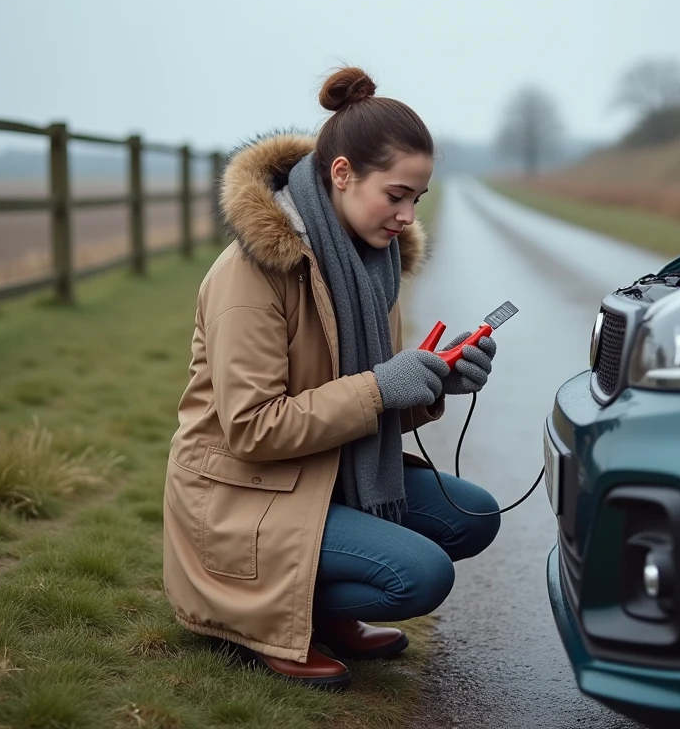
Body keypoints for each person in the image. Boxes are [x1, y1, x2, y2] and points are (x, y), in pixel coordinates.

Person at [161, 66, 502, 691]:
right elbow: (252, 430)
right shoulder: (254, 271)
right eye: (395, 194)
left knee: (474, 517)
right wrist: (381, 387)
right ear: (341, 174)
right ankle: (271, 626)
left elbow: (367, 397)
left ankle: (325, 612)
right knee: (421, 575)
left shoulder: (372, 264)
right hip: (245, 496)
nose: (405, 215)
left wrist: (434, 382)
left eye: (417, 200)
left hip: (322, 475)